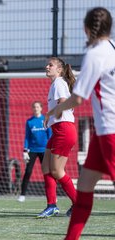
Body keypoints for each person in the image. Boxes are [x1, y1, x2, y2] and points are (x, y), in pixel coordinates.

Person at [51, 7, 115, 239]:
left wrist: (58, 108)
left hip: (110, 131)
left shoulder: (95, 53)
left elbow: (78, 97)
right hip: (102, 133)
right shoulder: (111, 47)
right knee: (85, 187)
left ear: (86, 28)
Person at [36, 56, 77, 218]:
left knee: (57, 170)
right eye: (47, 64)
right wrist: (50, 117)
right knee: (46, 167)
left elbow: (64, 102)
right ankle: (52, 205)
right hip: (58, 130)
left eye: (50, 65)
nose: (47, 67)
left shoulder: (59, 82)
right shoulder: (55, 84)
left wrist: (49, 114)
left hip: (64, 130)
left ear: (59, 69)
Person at [17, 101, 52, 202]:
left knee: (47, 172)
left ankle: (52, 195)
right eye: (34, 107)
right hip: (32, 150)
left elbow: (50, 135)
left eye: (37, 107)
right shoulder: (30, 122)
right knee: (28, 171)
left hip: (44, 150)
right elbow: (27, 137)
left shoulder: (45, 119)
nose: (36, 109)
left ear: (41, 108)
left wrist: (50, 148)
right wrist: (25, 150)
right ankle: (22, 195)